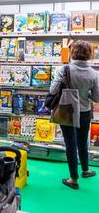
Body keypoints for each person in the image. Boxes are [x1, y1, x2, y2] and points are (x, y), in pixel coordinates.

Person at [50, 40, 99, 189]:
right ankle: (86, 170)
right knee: (82, 141)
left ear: (73, 53)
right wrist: (84, 96)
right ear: (90, 54)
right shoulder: (94, 73)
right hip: (84, 111)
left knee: (70, 143)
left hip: (66, 110)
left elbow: (52, 90)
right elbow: (97, 98)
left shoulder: (64, 69)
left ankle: (73, 179)